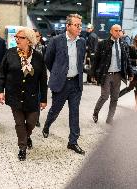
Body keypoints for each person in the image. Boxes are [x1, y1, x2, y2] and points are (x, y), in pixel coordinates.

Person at [0, 27, 48, 161]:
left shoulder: (38, 57)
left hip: (32, 97)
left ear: (30, 41)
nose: (17, 39)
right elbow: (2, 74)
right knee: (19, 123)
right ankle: (22, 147)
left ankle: (26, 136)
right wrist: (0, 92)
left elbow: (43, 79)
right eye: (16, 37)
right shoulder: (10, 53)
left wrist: (43, 99)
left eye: (21, 37)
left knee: (31, 122)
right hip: (14, 95)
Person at [42, 14, 86, 155]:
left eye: (80, 25)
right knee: (55, 110)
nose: (79, 27)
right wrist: (57, 73)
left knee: (75, 113)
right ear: (68, 26)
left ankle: (73, 142)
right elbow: (48, 60)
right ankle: (47, 125)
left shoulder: (82, 42)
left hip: (75, 83)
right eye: (76, 25)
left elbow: (80, 61)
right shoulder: (56, 40)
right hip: (61, 84)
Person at [92, 24, 133, 125]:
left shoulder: (123, 44)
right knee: (105, 96)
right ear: (111, 31)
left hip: (118, 75)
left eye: (119, 30)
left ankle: (110, 118)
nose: (118, 32)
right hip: (106, 74)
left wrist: (130, 73)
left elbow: (127, 60)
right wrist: (93, 74)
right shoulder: (103, 44)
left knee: (115, 98)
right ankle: (95, 112)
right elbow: (96, 60)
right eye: (116, 30)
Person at [119, 33, 137, 101]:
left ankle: (116, 96)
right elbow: (127, 60)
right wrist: (136, 61)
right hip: (134, 71)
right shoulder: (131, 47)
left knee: (131, 87)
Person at [33, 29, 45, 128]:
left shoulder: (43, 48)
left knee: (38, 99)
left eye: (38, 36)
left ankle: (36, 119)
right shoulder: (26, 47)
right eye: (34, 36)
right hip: (28, 77)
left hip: (39, 77)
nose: (36, 38)